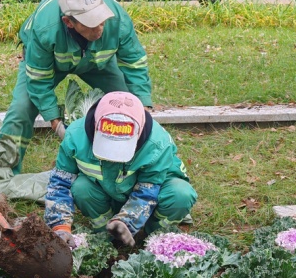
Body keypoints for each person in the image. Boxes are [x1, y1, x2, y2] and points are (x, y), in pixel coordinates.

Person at [0, 0, 152, 173]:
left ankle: (135, 164)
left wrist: (143, 105)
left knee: (129, 104)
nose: (100, 28)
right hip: (50, 63)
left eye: (101, 20)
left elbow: (134, 62)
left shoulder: (117, 18)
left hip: (97, 61)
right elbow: (39, 79)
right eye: (91, 23)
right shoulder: (45, 28)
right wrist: (55, 121)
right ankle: (3, 172)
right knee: (21, 109)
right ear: (68, 22)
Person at [44, 91, 196, 247]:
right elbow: (59, 184)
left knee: (181, 194)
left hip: (155, 193)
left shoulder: (157, 144)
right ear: (96, 127)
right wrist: (60, 226)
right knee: (81, 188)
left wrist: (127, 221)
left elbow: (147, 192)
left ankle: (156, 236)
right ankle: (106, 235)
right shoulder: (75, 137)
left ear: (138, 133)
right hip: (107, 191)